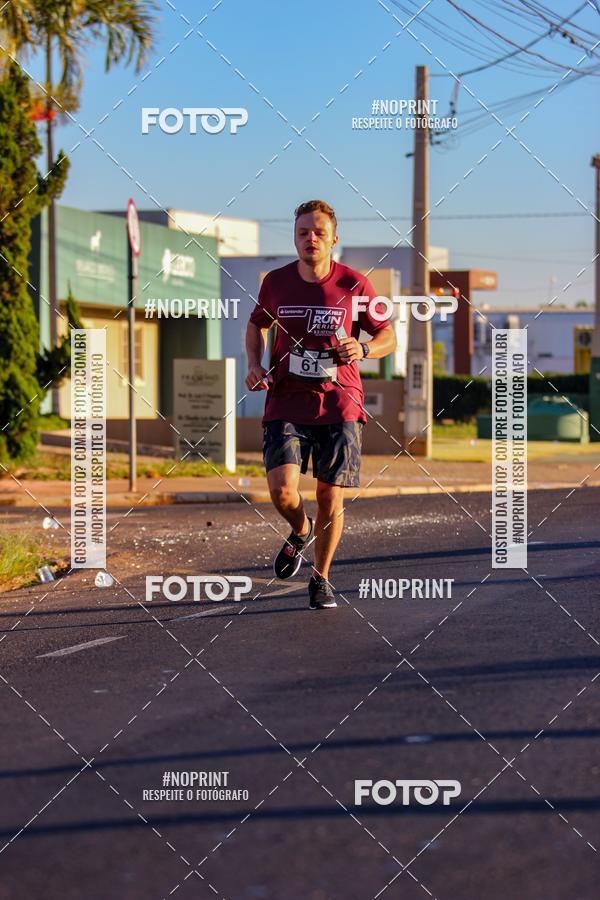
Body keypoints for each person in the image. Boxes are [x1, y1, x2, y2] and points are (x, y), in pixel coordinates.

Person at [245, 199, 397, 610]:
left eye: (318, 232)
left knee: (331, 495)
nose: (310, 238)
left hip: (339, 405)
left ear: (334, 238)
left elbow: (389, 338)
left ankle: (321, 578)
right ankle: (300, 529)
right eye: (302, 232)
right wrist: (255, 363)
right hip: (286, 401)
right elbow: (256, 324)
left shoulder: (355, 285)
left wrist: (363, 348)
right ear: (294, 237)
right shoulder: (275, 282)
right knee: (281, 491)